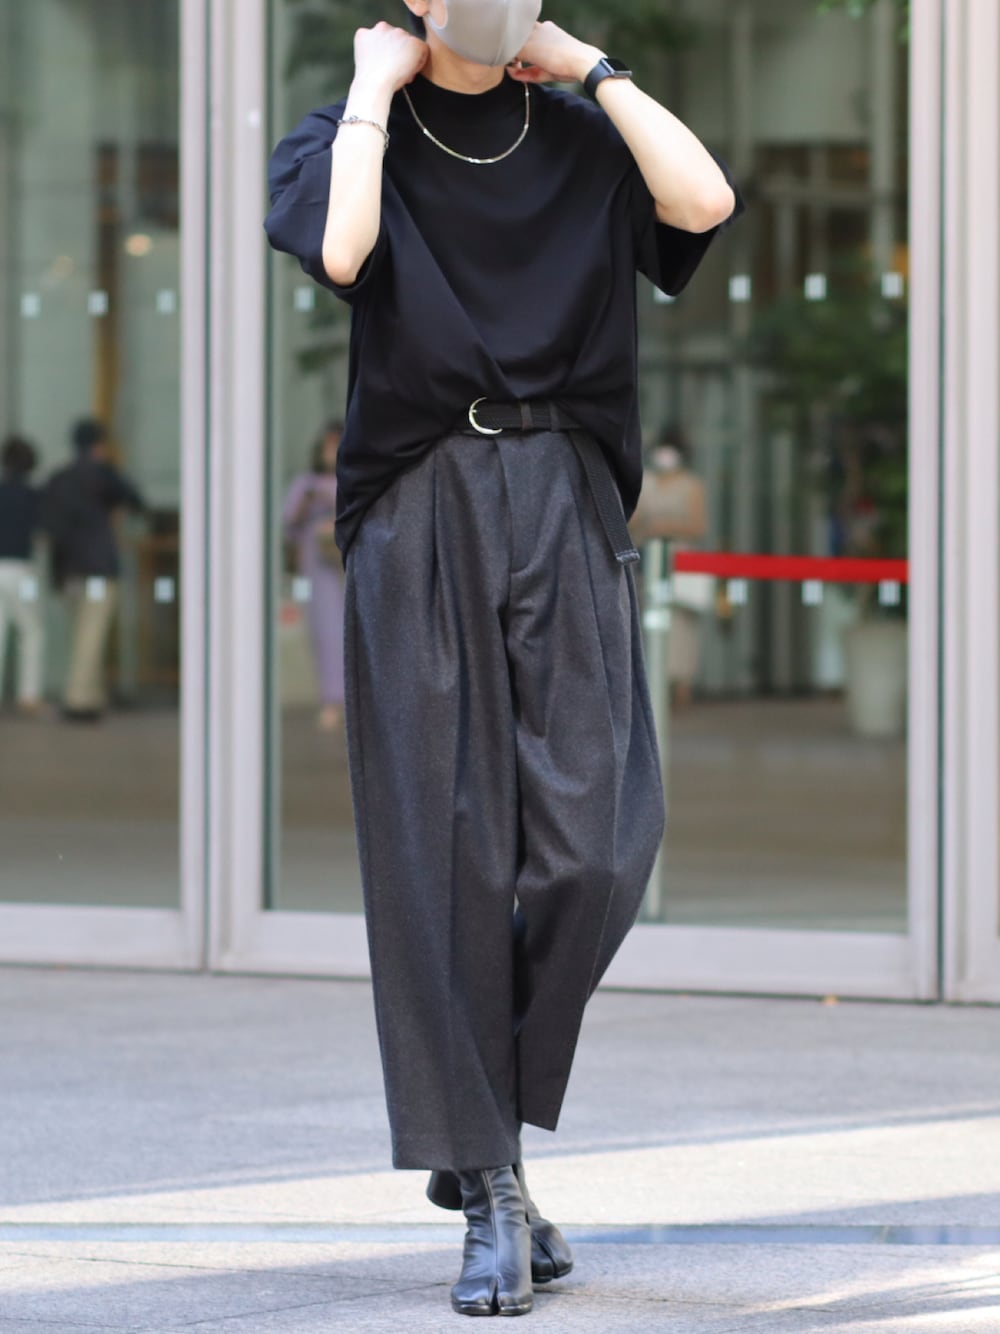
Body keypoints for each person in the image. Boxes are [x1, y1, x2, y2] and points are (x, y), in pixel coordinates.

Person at [265, 2, 741, 1317]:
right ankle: (487, 1179)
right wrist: (372, 87)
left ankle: (476, 1119)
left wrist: (594, 68)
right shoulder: (345, 132)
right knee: (444, 850)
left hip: (568, 486)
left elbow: (704, 202)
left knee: (601, 842)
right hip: (421, 497)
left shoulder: (581, 132)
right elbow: (344, 250)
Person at [44, 418, 145, 721]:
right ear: (99, 446)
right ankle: (79, 699)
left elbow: (47, 523)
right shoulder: (103, 474)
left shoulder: (58, 478)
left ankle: (91, 695)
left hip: (67, 570)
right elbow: (135, 501)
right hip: (99, 569)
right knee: (92, 633)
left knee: (79, 633)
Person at [630, 427, 711, 709]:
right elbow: (630, 519)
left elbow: (698, 527)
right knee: (647, 622)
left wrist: (664, 526)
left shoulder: (691, 485)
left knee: (681, 628)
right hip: (645, 561)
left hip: (680, 563)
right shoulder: (646, 482)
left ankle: (681, 689)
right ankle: (652, 687)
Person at [282, 422, 345, 730]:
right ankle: (332, 700)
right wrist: (310, 500)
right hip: (319, 568)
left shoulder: (354, 476)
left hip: (350, 566)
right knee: (326, 632)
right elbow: (288, 522)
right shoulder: (306, 483)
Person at [0, 435, 46, 715]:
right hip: (23, 572)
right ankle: (28, 696)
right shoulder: (33, 495)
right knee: (31, 631)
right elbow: (42, 533)